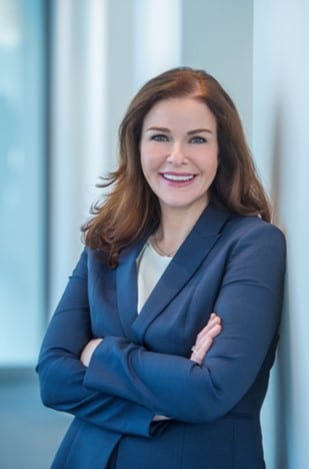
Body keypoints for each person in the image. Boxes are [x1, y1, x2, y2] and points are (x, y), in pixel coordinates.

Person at [36, 67, 286, 469]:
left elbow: (209, 391)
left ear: (223, 151)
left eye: (197, 140)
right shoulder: (107, 241)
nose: (177, 156)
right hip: (85, 456)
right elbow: (52, 377)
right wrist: (167, 390)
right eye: (160, 137)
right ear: (137, 145)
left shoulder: (253, 245)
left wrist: (99, 352)